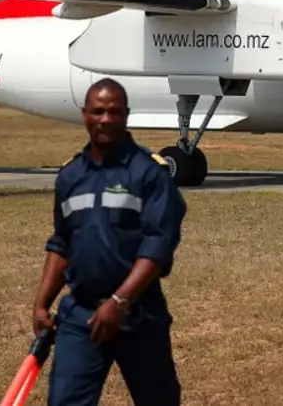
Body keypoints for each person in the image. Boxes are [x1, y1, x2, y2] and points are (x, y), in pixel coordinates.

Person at [31, 77, 189, 405]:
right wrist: (42, 303)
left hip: (138, 314)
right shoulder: (70, 176)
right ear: (85, 114)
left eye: (114, 112)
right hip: (81, 316)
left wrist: (118, 302)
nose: (105, 119)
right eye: (98, 111)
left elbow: (158, 246)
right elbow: (62, 243)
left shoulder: (150, 174)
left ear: (126, 115)